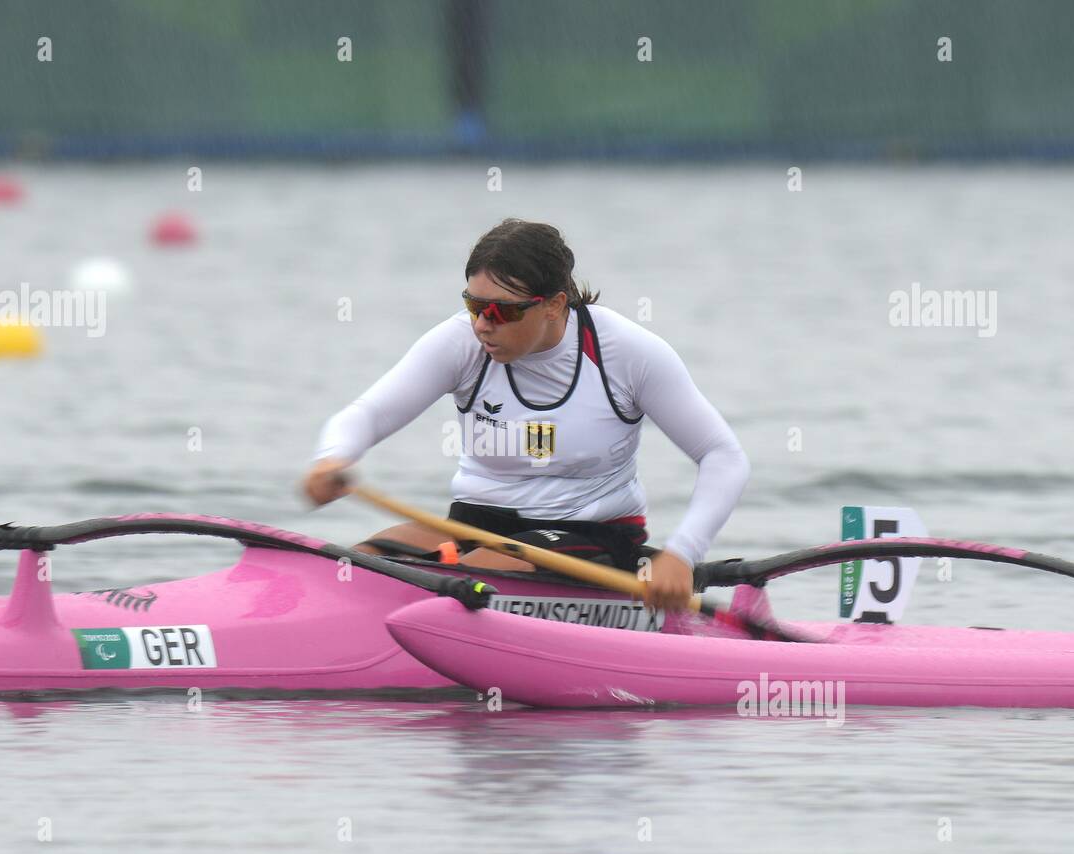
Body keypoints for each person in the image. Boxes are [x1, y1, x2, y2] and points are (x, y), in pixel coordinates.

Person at [302, 218, 749, 613]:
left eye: (501, 311)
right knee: (353, 566)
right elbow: (369, 413)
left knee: (475, 573)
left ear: (553, 305)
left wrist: (681, 555)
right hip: (474, 524)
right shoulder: (460, 343)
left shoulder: (628, 353)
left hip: (592, 536)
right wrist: (334, 457)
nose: (482, 324)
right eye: (474, 306)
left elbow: (723, 456)